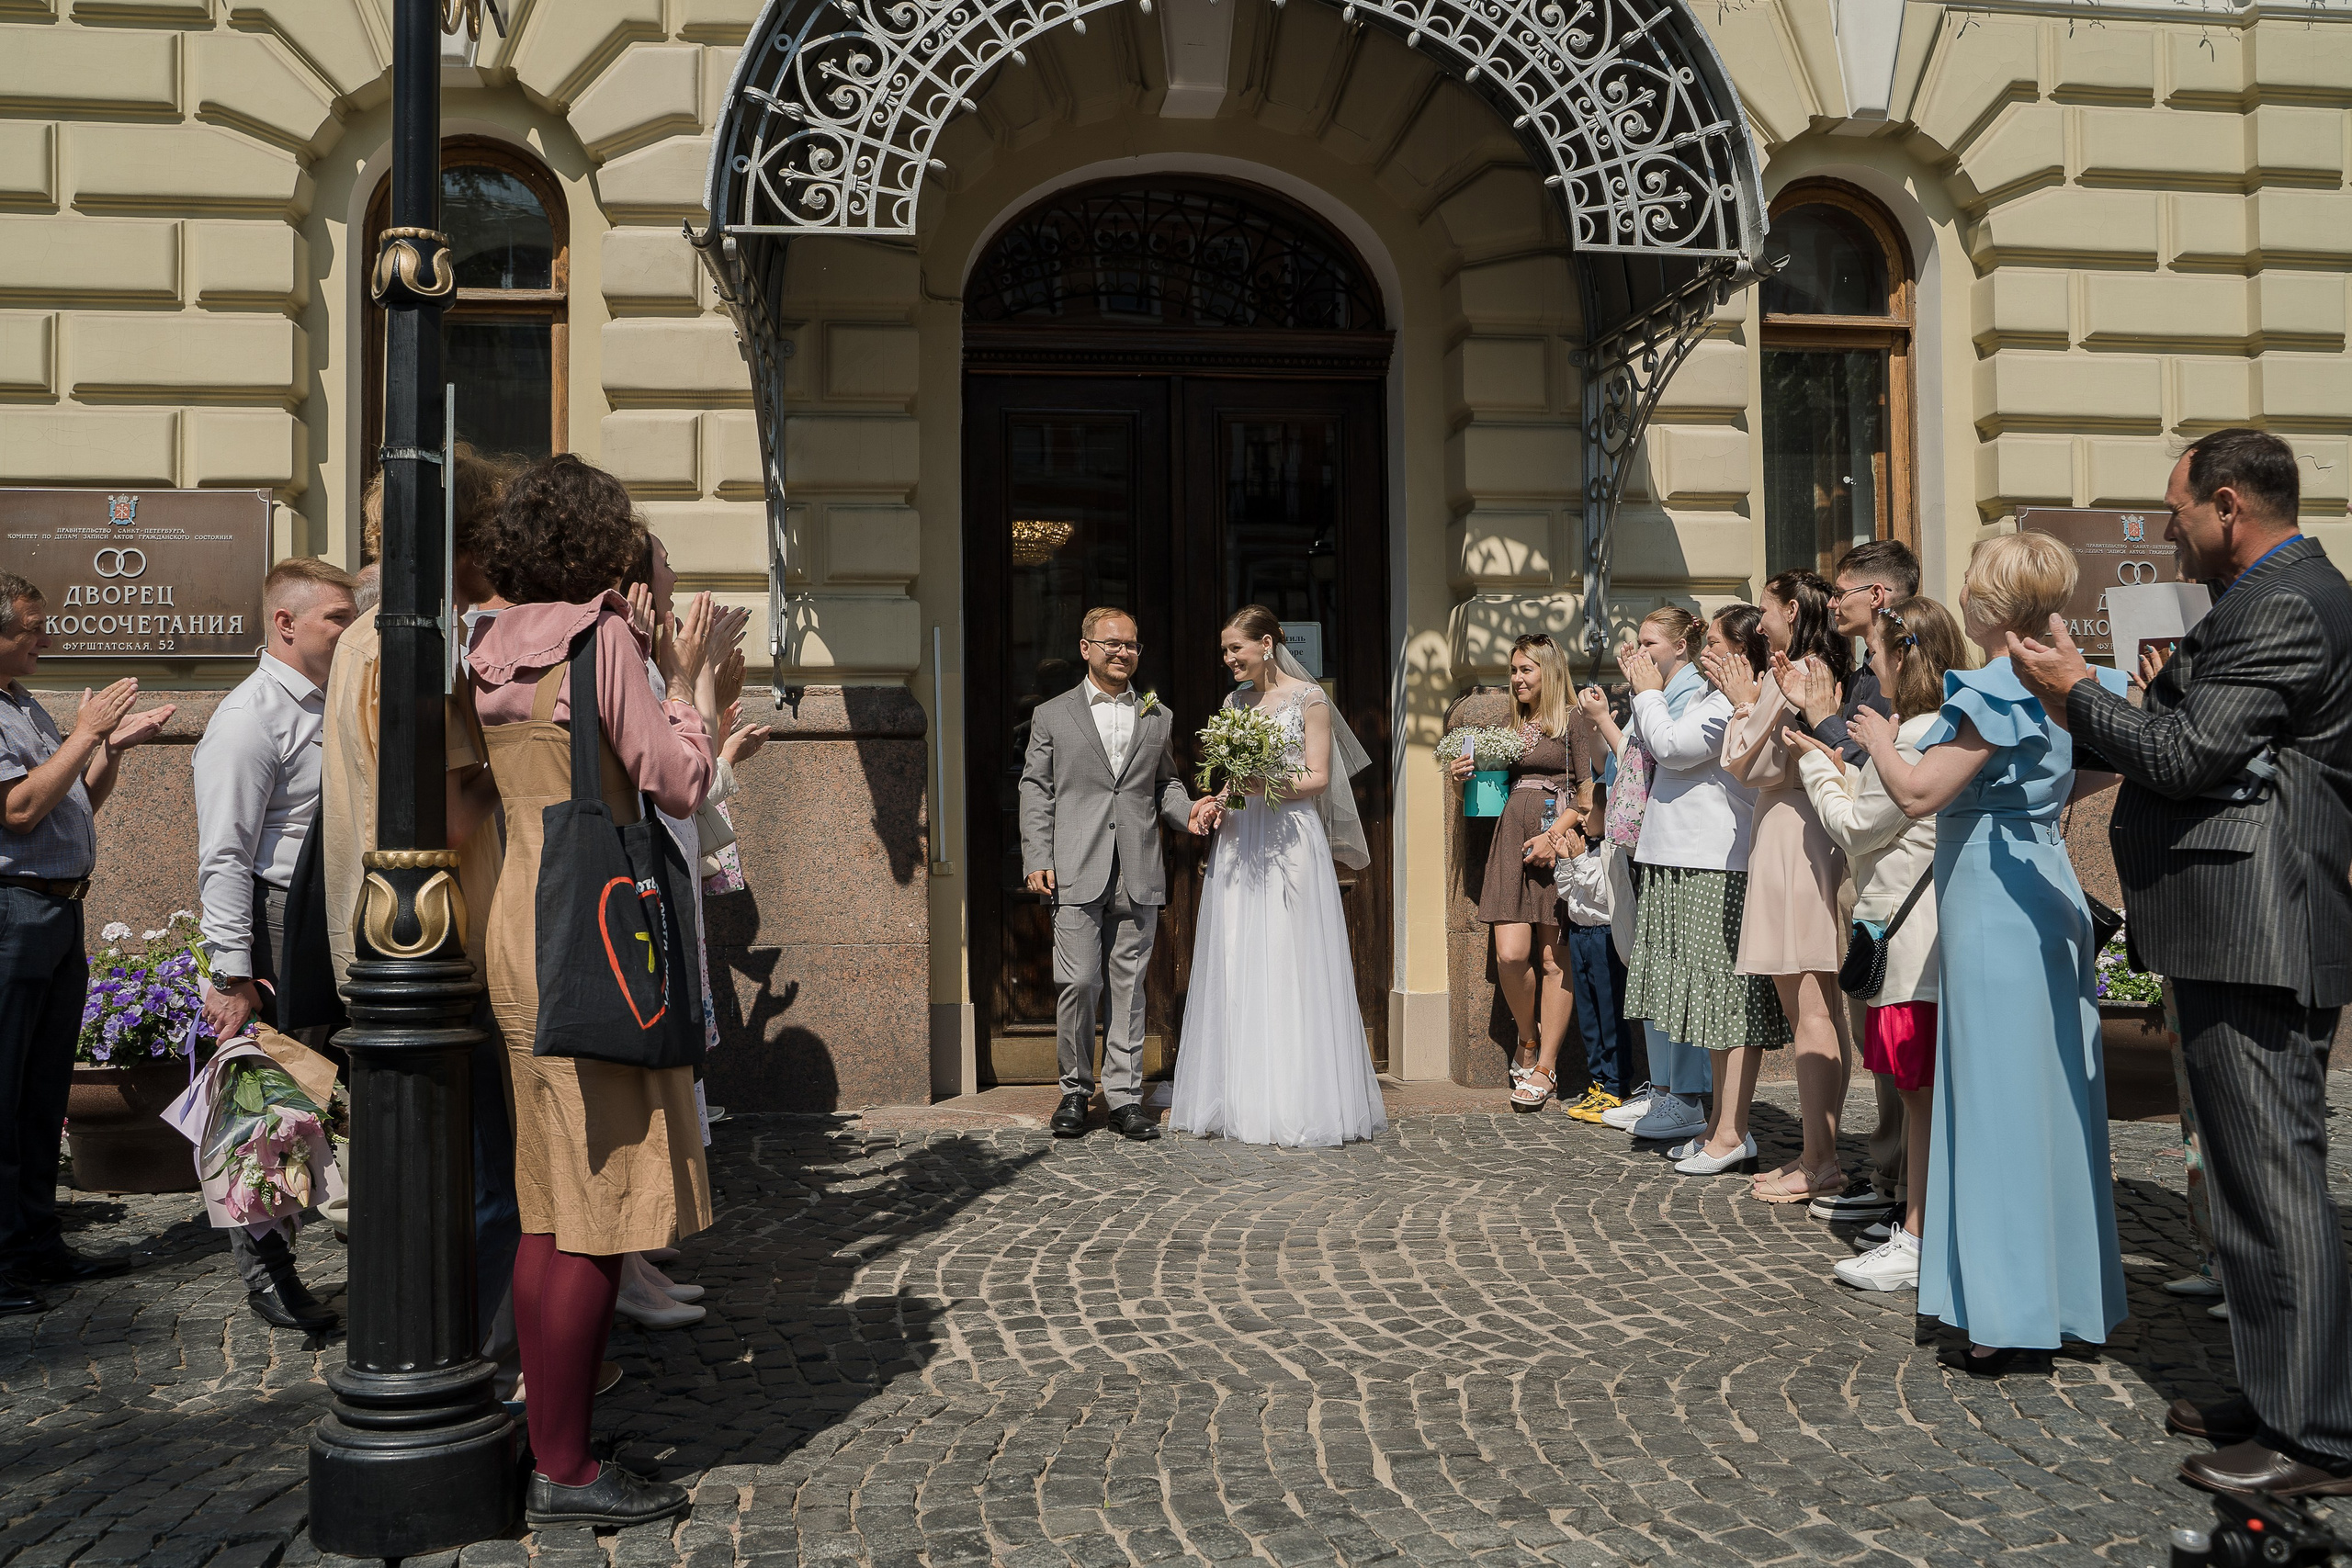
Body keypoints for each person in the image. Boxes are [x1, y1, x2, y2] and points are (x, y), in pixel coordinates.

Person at [2009, 428, 2352, 1497]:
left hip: (2261, 930)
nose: (2166, 530)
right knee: (2245, 1186)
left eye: (2177, 509)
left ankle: (2316, 1436)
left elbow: (2183, 756)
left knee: (2273, 1187)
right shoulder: (2261, 598)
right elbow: (2202, 738)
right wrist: (2134, 697)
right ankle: (2275, 1389)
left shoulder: (2284, 603)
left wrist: (2076, 691)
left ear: (2229, 504)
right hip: (2233, 925)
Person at [466, 454, 717, 1529]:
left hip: (518, 918)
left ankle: (549, 1437)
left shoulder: (487, 640)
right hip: (593, 930)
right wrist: (689, 684)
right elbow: (679, 782)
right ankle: (564, 1469)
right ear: (602, 542)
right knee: (600, 1211)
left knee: (546, 1203)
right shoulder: (600, 639)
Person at [1855, 531, 2129, 1376]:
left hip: (1994, 904)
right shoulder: (2072, 679)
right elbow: (2095, 770)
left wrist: (1877, 738)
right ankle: (2065, 1296)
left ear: (1990, 603)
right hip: (2043, 884)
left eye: (1973, 585)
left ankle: (2006, 1315)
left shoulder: (1997, 686)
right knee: (2052, 1096)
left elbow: (1916, 792)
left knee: (1996, 1102)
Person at [318, 453, 522, 1376]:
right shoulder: (412, 644)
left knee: (440, 1183)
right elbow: (443, 815)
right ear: (461, 542)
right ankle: (473, 1365)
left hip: (400, 946)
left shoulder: (370, 636)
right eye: (493, 541)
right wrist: (528, 759)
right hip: (440, 951)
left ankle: (445, 1355)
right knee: (483, 1188)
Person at [192, 556, 358, 1331]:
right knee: (266, 1105)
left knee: (317, 1097)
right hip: (276, 920)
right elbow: (225, 853)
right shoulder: (248, 717)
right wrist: (232, 972)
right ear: (285, 623)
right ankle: (268, 1274)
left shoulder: (334, 701)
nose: (351, 629)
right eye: (337, 617)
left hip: (332, 914)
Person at [0, 573, 174, 1315]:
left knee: (43, 1091)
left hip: (58, 910)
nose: (46, 637)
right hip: (13, 910)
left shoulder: (21, 702)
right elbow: (18, 809)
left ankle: (36, 1244)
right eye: (31, 627)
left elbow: (71, 804)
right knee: (5, 1088)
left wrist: (112, 748)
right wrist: (84, 733)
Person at [1785, 595, 1966, 1290]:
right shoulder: (1930, 729)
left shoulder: (1916, 735)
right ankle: (1918, 1224)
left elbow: (1857, 828)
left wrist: (1814, 767)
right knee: (1919, 1093)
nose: (1870, 665)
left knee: (1917, 1094)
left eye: (1877, 653)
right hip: (1913, 934)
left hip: (1909, 941)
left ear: (1902, 659)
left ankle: (1918, 1234)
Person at [1170, 607, 1386, 1146]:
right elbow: (1232, 777)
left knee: (1290, 952)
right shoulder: (1233, 703)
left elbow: (1317, 777)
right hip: (1241, 835)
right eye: (1224, 651)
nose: (1228, 659)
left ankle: (1295, 1096)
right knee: (1239, 948)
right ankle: (1242, 1093)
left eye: (1235, 649)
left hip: (1290, 836)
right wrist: (1219, 801)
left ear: (1266, 644)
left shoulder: (1309, 700)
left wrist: (1262, 782)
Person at [1018, 607, 1212, 1141]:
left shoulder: (1157, 715)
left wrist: (1190, 813)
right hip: (1074, 868)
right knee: (1079, 982)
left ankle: (1125, 1099)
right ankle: (1075, 1092)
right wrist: (1037, 856)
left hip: (1138, 869)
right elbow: (1035, 788)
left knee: (1128, 988)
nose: (1123, 652)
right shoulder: (1052, 715)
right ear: (1086, 648)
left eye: (1131, 645)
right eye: (1112, 643)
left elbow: (1165, 785)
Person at [1619, 606, 1787, 1152]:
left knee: (1716, 991)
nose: (1704, 652)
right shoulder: (1708, 697)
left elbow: (1672, 748)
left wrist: (1647, 693)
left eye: (1714, 643)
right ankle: (1709, 1119)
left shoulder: (1727, 702)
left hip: (1713, 858)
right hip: (1679, 856)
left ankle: (1716, 1118)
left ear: (1741, 652)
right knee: (1692, 991)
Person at [1713, 571, 1853, 1198]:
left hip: (1795, 836)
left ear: (1791, 610)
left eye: (1766, 608)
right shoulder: (1818, 664)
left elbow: (1748, 760)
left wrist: (1744, 701)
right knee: (1821, 1007)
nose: (1760, 619)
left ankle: (1820, 1159)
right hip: (1807, 829)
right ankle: (1819, 1152)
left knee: (1810, 1009)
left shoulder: (1792, 670)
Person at [1805, 538, 1922, 1226]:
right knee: (1877, 1034)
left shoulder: (1903, 667)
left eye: (1842, 590)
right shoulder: (1865, 668)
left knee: (1899, 1041)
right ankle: (1891, 1174)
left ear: (1878, 595)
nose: (1832, 602)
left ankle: (1904, 1186)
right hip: (1869, 873)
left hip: (1893, 875)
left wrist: (1820, 725)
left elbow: (1868, 767)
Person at [1449, 633, 1589, 1111]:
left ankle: (1546, 1065)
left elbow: (1590, 792)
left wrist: (1554, 836)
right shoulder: (1512, 724)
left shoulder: (1573, 719)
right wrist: (1465, 777)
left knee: (1553, 959)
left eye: (1526, 670)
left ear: (1549, 671)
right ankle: (1527, 1039)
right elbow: (1490, 790)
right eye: (1513, 670)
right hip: (1511, 840)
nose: (1516, 679)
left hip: (1557, 843)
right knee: (1510, 956)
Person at [1553, 780, 1635, 1120]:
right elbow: (1566, 892)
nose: (1581, 819)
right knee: (1588, 1015)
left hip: (1604, 936)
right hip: (1580, 935)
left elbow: (1604, 893)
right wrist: (1567, 862)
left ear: (1608, 810)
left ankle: (1616, 1086)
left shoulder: (1613, 851)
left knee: (1609, 1012)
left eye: (1587, 812)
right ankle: (1598, 1082)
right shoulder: (1584, 848)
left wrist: (1577, 861)